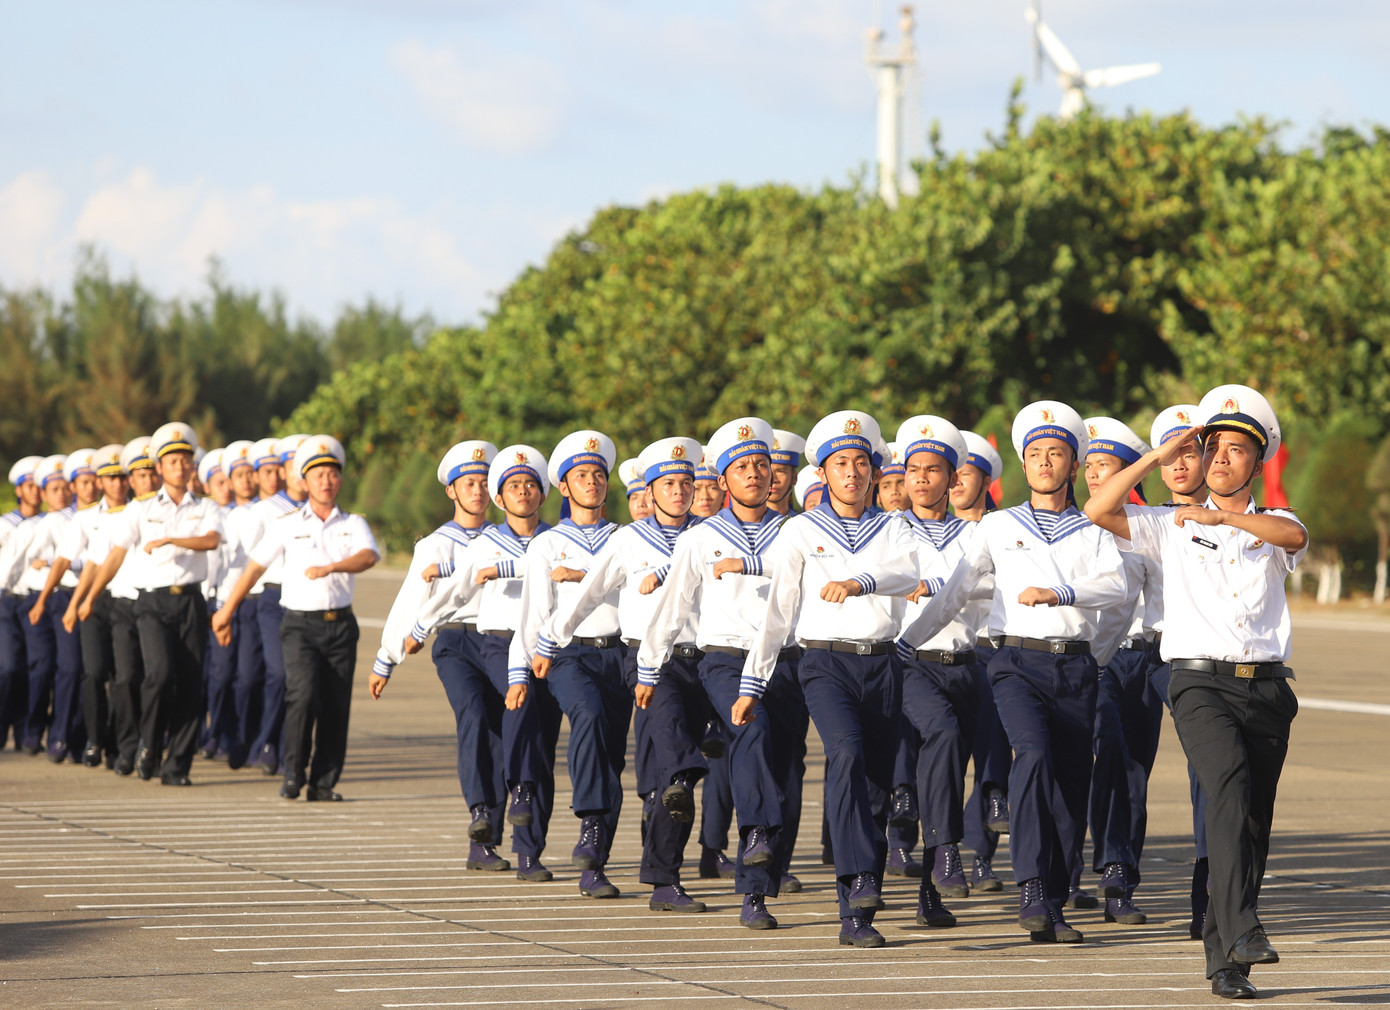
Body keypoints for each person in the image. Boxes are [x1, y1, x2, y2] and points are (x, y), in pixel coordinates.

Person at [1084, 384, 1306, 999]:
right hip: (1199, 682)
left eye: (1238, 451)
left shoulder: (1275, 522)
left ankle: (1226, 957)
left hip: (1267, 687)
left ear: (1258, 463)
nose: (1223, 460)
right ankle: (1244, 929)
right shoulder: (1169, 524)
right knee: (1228, 789)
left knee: (1251, 824)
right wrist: (1158, 459)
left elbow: (1290, 541)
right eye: (1213, 449)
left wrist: (1225, 518)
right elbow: (1098, 508)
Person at [900, 401, 1127, 944]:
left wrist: (1064, 600)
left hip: (1074, 665)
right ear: (1023, 467)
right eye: (1035, 454)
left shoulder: (1093, 529)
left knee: (1073, 785)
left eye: (1056, 453)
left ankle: (1054, 896)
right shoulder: (998, 526)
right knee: (1033, 755)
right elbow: (956, 591)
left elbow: (1116, 589)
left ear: (1074, 466)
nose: (1045, 462)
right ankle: (1029, 885)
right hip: (1014, 663)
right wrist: (907, 644)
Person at [738, 410, 919, 948]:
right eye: (841, 462)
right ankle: (857, 882)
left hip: (883, 662)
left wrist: (860, 580)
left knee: (876, 786)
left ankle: (859, 912)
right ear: (824, 472)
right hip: (824, 663)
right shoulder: (800, 529)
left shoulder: (894, 525)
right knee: (845, 753)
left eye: (862, 462)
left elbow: (909, 572)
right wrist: (753, 682)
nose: (853, 472)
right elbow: (780, 610)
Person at [639, 416, 803, 930]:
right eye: (741, 467)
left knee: (787, 772)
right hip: (726, 659)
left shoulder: (796, 532)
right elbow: (671, 607)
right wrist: (648, 668)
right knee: (750, 729)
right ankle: (753, 850)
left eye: (762, 465)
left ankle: (762, 878)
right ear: (724, 480)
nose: (755, 474)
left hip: (788, 662)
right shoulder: (701, 537)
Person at [551, 436, 708, 913]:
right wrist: (550, 639)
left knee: (673, 783)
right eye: (668, 484)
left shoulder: (710, 534)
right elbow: (589, 593)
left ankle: (664, 875)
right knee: (676, 763)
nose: (679, 491)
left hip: (705, 661)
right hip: (648, 662)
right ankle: (664, 876)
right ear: (651, 490)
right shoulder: (627, 539)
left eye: (686, 483)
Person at [399, 444, 562, 883]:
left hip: (547, 650)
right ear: (499, 496)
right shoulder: (485, 541)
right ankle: (498, 808)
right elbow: (456, 593)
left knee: (541, 748)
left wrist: (507, 569)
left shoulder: (558, 539)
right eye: (513, 486)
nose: (524, 492)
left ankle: (530, 851)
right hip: (496, 644)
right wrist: (416, 630)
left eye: (531, 484)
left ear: (543, 493)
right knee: (507, 721)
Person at [372, 440, 515, 870]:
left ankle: (492, 832)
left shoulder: (507, 538)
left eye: (484, 483)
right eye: (468, 483)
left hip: (501, 639)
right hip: (455, 644)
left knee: (505, 729)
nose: (477, 491)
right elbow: (410, 599)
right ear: (451, 491)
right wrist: (387, 657)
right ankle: (479, 814)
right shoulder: (434, 545)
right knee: (472, 714)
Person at [213, 436, 379, 801]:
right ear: (305, 480)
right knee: (302, 697)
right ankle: (294, 771)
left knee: (336, 706)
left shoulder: (352, 524)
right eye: (318, 474)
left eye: (333, 474)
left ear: (340, 480)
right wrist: (227, 610)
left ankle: (323, 783)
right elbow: (254, 567)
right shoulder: (287, 524)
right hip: (300, 626)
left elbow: (368, 557)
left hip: (339, 626)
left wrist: (333, 566)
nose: (326, 481)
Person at [512, 430, 627, 899]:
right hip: (566, 653)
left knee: (612, 758)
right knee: (589, 714)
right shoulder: (547, 544)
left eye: (600, 475)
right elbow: (534, 612)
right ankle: (589, 821)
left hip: (619, 653)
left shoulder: (625, 538)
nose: (593, 482)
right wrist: (521, 669)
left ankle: (593, 865)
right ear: (563, 487)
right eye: (582, 475)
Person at [81, 422, 225, 786]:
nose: (179, 466)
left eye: (185, 460)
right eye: (171, 461)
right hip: (152, 604)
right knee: (159, 676)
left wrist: (170, 540)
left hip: (190, 601)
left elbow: (211, 541)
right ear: (159, 468)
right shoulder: (139, 511)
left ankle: (177, 766)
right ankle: (148, 742)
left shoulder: (206, 508)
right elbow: (114, 557)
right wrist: (91, 596)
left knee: (191, 684)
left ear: (193, 467)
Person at [893, 415, 978, 927]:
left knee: (944, 774)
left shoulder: (978, 534)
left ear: (954, 478)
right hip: (909, 663)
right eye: (914, 470)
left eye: (934, 469)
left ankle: (931, 893)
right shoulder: (889, 531)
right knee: (940, 738)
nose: (923, 478)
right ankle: (945, 848)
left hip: (966, 666)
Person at [1080, 416, 1164, 926]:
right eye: (1088, 466)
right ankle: (1086, 869)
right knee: (1104, 754)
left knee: (1135, 771)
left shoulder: (1151, 524)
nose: (1093, 476)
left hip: (1144, 657)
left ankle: (1120, 878)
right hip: (1091, 660)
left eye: (1105, 465)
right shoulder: (1068, 524)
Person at [1147, 403, 1213, 941]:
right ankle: (1114, 874)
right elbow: (1101, 506)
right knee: (1121, 770)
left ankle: (1209, 890)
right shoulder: (1151, 521)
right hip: (1142, 654)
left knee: (1208, 777)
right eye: (1170, 457)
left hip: (1202, 662)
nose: (1179, 466)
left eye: (1188, 452)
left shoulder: (1234, 518)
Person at [952, 430, 1008, 893]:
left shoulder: (1006, 528)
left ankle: (982, 858)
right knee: (946, 756)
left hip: (990, 651)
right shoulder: (924, 527)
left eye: (964, 474)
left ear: (985, 479)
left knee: (992, 753)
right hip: (942, 656)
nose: (953, 483)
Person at [57, 444, 135, 770]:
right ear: (100, 481)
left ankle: (119, 745)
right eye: (110, 477)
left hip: (127, 600)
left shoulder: (140, 512)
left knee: (123, 677)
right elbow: (81, 562)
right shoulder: (88, 517)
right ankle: (95, 739)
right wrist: (72, 603)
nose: (117, 483)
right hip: (94, 601)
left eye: (121, 477)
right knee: (92, 673)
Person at [17, 454, 83, 761]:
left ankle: (64, 735)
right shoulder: (37, 525)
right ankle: (31, 730)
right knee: (42, 668)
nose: (61, 494)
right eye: (53, 489)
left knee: (71, 669)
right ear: (43, 494)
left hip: (70, 596)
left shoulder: (81, 518)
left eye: (64, 487)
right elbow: (18, 564)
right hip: (38, 600)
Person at [1, 455, 44, 750]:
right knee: (8, 667)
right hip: (6, 601)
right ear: (18, 490)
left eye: (37, 486)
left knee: (37, 667)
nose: (33, 491)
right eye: (27, 485)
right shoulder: (4, 523)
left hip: (36, 599)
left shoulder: (50, 522)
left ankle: (29, 732)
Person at [767, 430, 805, 515]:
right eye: (767, 470)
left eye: (781, 471)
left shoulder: (803, 526)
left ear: (794, 477)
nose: (773, 480)